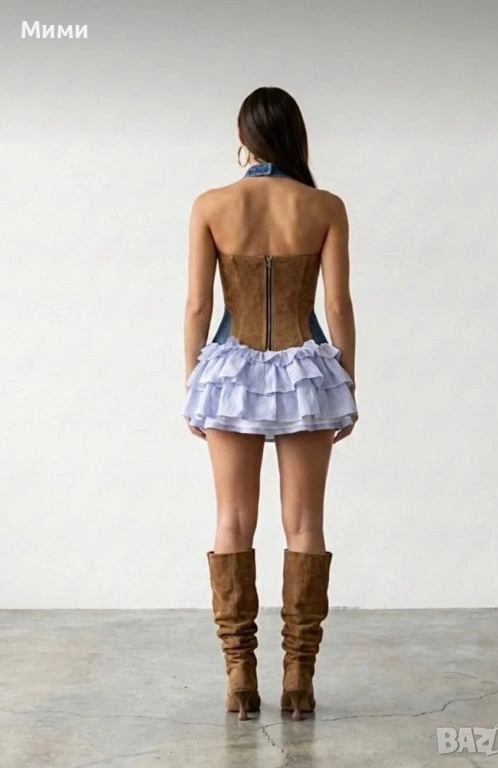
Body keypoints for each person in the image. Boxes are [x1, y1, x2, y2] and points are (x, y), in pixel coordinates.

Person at [182, 86, 358, 720]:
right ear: (294, 135)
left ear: (244, 137)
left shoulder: (211, 205)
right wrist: (347, 381)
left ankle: (239, 677)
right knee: (305, 523)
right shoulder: (324, 206)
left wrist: (194, 381)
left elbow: (199, 305)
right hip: (306, 371)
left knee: (232, 520)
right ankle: (299, 679)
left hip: (230, 372)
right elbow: (336, 306)